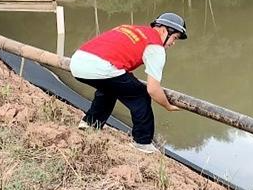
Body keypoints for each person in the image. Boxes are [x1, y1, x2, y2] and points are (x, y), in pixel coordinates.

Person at [70, 12, 187, 154]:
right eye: (174, 38)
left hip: (77, 61)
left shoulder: (130, 28)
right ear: (164, 30)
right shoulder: (156, 47)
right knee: (140, 96)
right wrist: (168, 106)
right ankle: (143, 143)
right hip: (102, 66)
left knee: (109, 89)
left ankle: (90, 124)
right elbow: (153, 89)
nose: (173, 43)